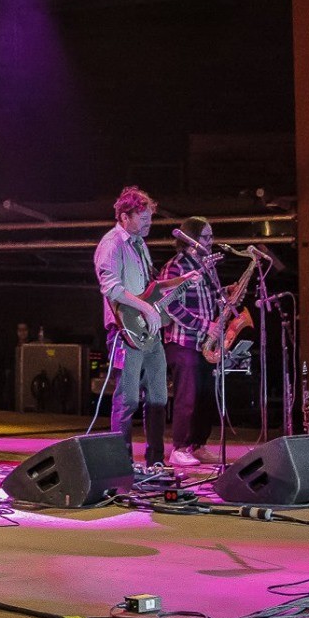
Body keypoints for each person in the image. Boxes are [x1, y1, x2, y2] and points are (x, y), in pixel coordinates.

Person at [95, 186, 167, 471]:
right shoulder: (112, 244)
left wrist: (183, 280)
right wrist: (145, 308)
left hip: (149, 332)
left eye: (150, 218)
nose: (149, 223)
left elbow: (149, 288)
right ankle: (120, 464)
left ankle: (156, 462)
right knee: (128, 399)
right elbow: (110, 287)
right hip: (125, 332)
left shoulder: (139, 243)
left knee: (159, 396)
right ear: (124, 216)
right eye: (143, 218)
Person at [159, 216, 226, 467]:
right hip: (183, 341)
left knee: (206, 395)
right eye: (206, 237)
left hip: (205, 342)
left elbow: (212, 299)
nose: (211, 241)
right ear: (191, 239)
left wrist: (226, 296)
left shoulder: (208, 267)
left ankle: (197, 444)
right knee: (187, 395)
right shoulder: (175, 266)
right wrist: (204, 324)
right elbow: (171, 305)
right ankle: (179, 447)